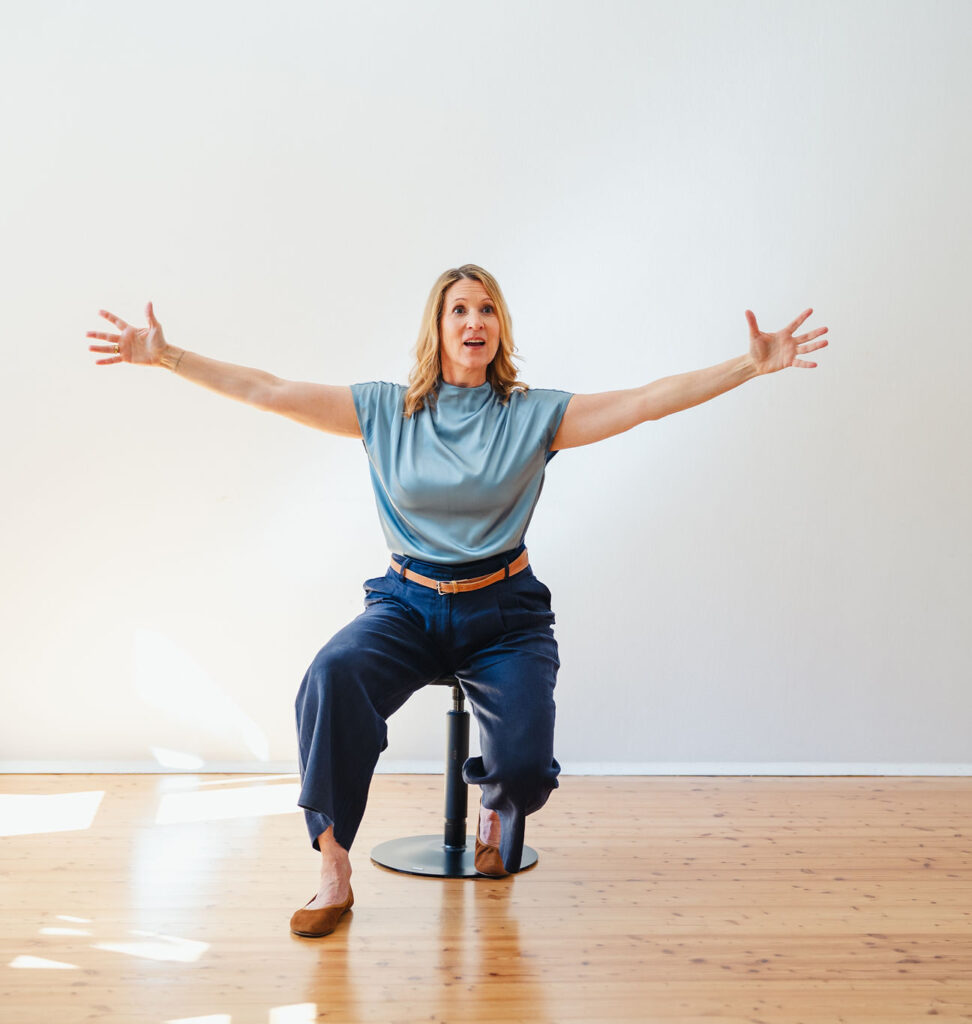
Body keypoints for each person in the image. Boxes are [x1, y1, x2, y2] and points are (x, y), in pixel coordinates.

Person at [87, 263, 829, 938]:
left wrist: (748, 365)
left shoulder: (532, 415)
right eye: (460, 310)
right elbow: (270, 390)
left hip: (504, 613)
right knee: (331, 678)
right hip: (406, 605)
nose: (475, 321)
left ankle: (497, 813)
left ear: (500, 327)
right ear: (437, 329)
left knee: (527, 766)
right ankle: (333, 869)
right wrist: (167, 356)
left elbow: (642, 404)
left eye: (487, 310)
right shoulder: (385, 411)